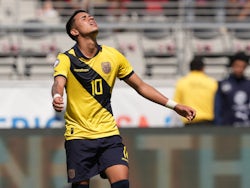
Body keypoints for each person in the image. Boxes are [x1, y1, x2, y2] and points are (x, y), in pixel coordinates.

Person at [51, 10, 196, 188]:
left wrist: (174, 106)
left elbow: (141, 86)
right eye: (84, 18)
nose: (90, 18)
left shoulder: (113, 56)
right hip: (79, 136)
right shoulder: (66, 58)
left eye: (91, 16)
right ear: (74, 32)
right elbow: (58, 83)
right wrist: (58, 95)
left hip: (109, 134)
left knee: (121, 184)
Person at [173, 56, 218, 126]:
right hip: (207, 122)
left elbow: (176, 104)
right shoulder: (212, 83)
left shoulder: (182, 82)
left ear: (190, 68)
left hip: (189, 121)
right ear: (203, 68)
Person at [214, 51, 250, 127]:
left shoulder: (248, 84)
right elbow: (218, 107)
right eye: (237, 66)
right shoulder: (223, 84)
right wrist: (219, 124)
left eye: (242, 66)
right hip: (228, 128)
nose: (239, 69)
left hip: (246, 127)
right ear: (232, 65)